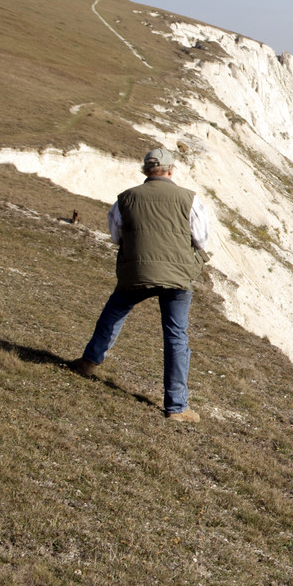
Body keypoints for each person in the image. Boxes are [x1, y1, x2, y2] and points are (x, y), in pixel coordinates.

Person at [71, 147, 211, 422]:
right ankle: (176, 407)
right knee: (176, 335)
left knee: (114, 311)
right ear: (170, 170)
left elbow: (116, 236)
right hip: (177, 277)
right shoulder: (190, 200)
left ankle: (89, 362)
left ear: (145, 170)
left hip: (136, 271)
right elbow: (202, 240)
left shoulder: (125, 199)